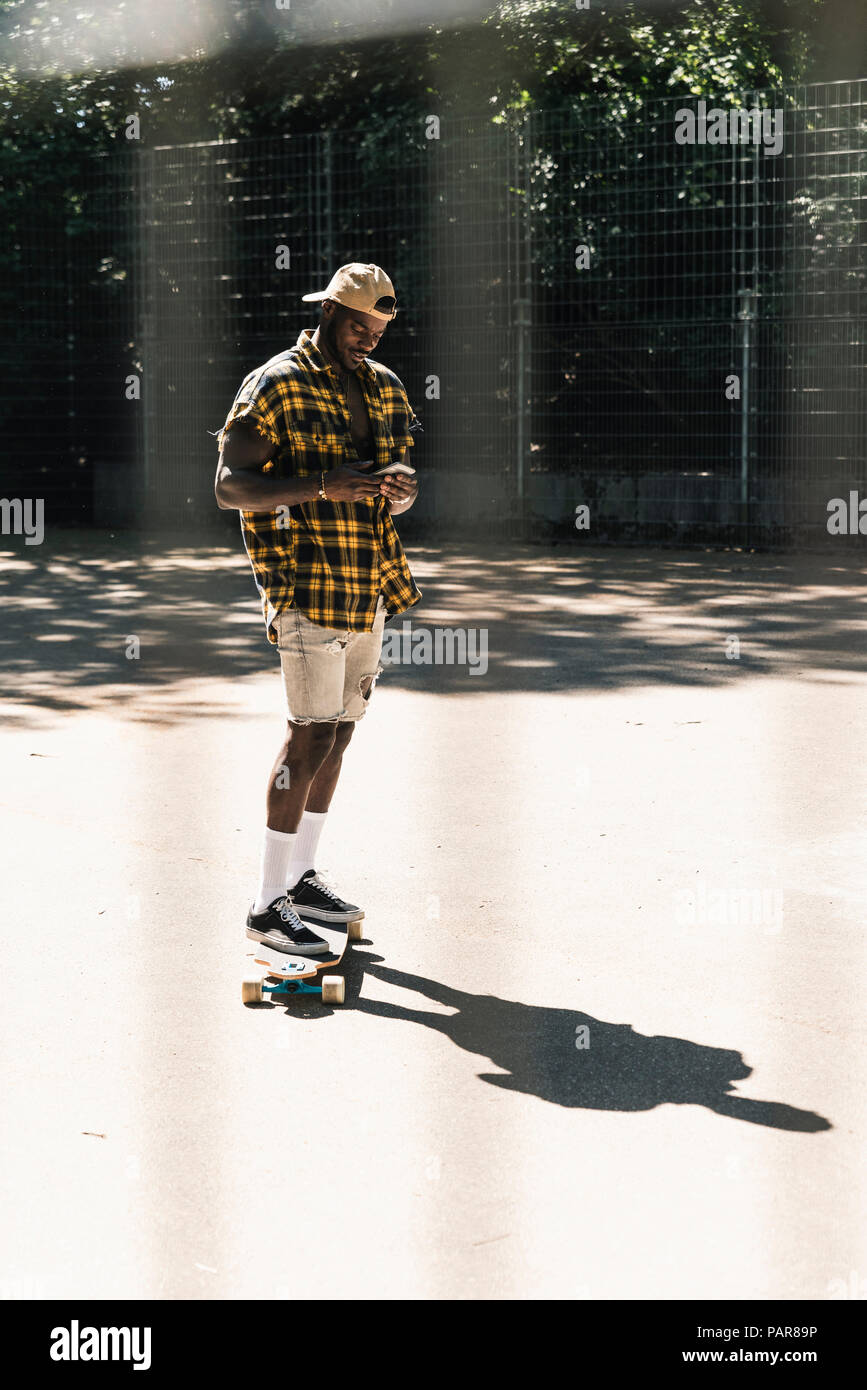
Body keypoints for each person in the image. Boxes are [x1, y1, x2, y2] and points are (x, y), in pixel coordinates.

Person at [214, 263, 422, 955]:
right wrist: (320, 486)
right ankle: (266, 904)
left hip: (369, 582)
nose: (370, 339)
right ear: (329, 312)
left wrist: (399, 492)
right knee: (306, 735)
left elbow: (403, 481)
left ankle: (301, 878)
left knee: (338, 734)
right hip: (305, 582)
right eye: (359, 325)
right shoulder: (276, 383)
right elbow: (229, 487)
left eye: (380, 329)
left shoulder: (383, 386)